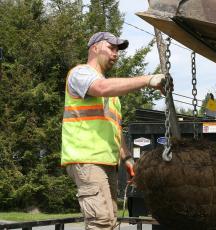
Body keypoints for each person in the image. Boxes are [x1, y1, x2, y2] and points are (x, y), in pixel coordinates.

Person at [61, 31, 166, 230]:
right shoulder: (80, 73)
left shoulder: (113, 97)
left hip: (106, 163)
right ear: (94, 48)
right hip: (87, 159)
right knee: (100, 222)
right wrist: (147, 80)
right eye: (111, 47)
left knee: (109, 222)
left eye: (117, 50)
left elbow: (115, 131)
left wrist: (127, 160)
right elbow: (101, 87)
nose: (115, 53)